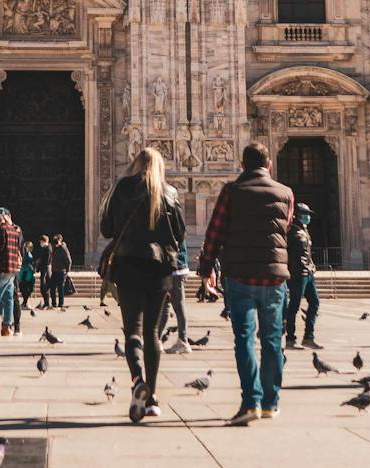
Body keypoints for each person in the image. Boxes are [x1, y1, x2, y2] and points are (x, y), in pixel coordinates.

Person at [200, 142, 293, 426]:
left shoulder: (231, 191)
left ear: (242, 164)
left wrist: (207, 267)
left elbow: (215, 231)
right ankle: (270, 403)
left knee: (244, 339)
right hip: (274, 276)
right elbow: (284, 228)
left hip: (240, 274)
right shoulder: (285, 193)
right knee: (273, 341)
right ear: (270, 165)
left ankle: (250, 400)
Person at [101, 146, 186, 424]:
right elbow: (180, 233)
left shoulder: (123, 187)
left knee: (132, 331)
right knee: (152, 332)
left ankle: (137, 379)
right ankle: (152, 399)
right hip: (160, 269)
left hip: (128, 265)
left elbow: (107, 229)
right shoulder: (170, 193)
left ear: (136, 164)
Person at [282, 203, 320, 350]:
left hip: (308, 273)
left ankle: (308, 336)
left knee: (315, 303)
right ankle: (290, 339)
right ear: (297, 215)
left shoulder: (303, 230)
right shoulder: (291, 232)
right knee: (294, 306)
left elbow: (307, 253)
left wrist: (311, 266)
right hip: (298, 274)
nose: (308, 217)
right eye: (305, 214)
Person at [161, 238, 192, 353]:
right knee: (166, 305)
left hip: (173, 267)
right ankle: (158, 339)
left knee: (175, 306)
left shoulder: (170, 221)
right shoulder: (177, 222)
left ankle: (183, 340)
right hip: (175, 266)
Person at [49, 233, 73, 308]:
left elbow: (68, 260)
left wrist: (67, 271)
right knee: (52, 288)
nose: (55, 242)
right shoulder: (53, 248)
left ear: (60, 240)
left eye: (56, 240)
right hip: (54, 271)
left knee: (60, 288)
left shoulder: (63, 248)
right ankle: (53, 303)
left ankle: (60, 303)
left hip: (61, 271)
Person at [34, 234, 52, 307]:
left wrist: (39, 263)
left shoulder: (48, 248)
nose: (40, 244)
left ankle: (47, 303)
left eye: (41, 242)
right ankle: (46, 302)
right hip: (44, 269)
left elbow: (46, 260)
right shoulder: (44, 248)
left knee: (44, 287)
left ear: (44, 241)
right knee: (43, 287)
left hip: (46, 270)